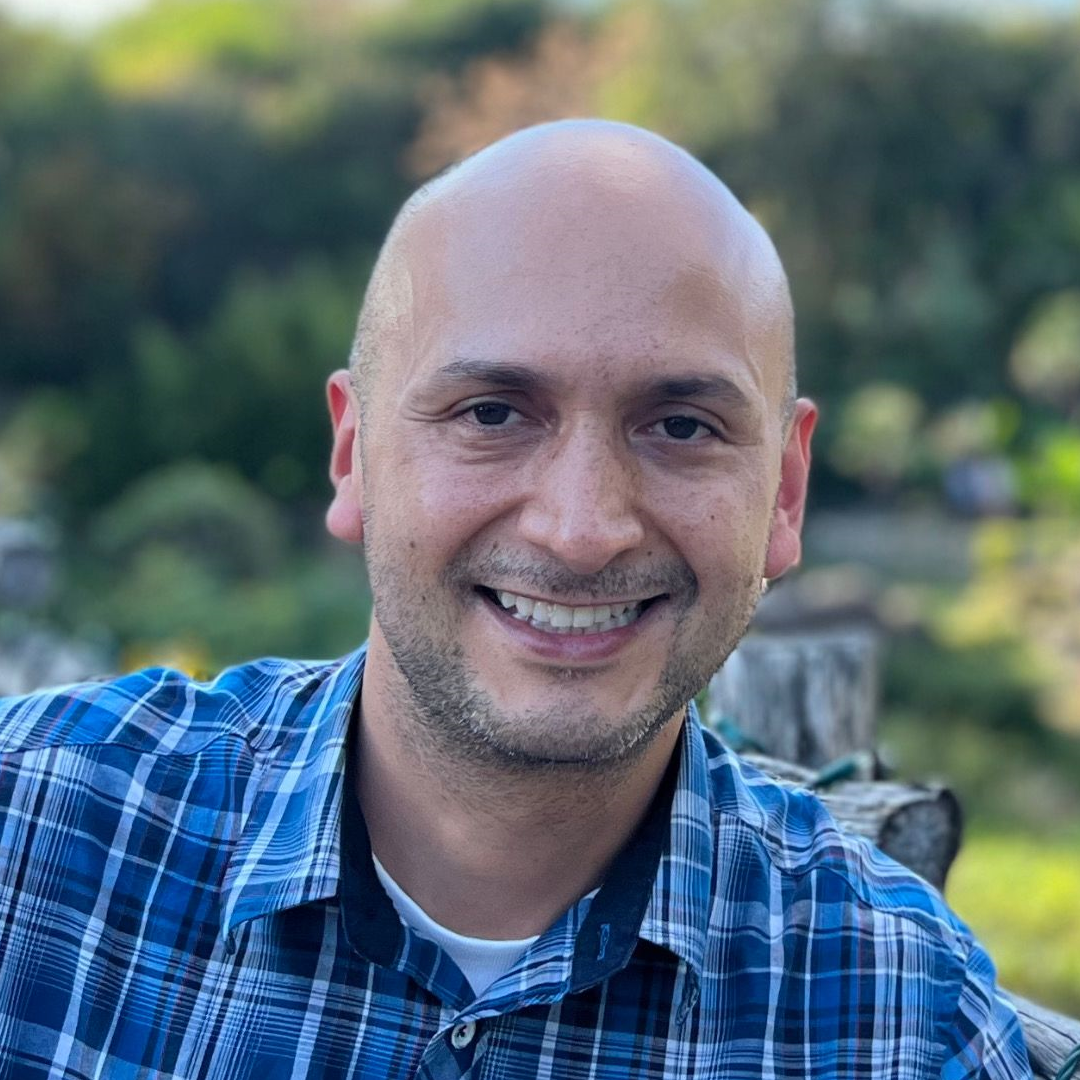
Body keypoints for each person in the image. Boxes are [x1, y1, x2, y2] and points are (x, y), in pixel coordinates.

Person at [0, 120, 1030, 1079]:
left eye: (681, 426)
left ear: (786, 493)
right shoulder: (31, 838)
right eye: (491, 412)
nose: (581, 529)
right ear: (354, 452)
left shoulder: (902, 1015)